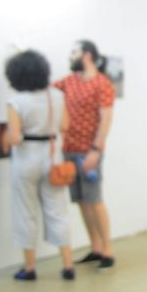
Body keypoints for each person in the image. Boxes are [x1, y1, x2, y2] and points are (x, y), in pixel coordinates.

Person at [3, 50, 75, 281]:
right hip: (52, 157)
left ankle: (30, 267)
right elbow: (65, 125)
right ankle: (68, 265)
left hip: (26, 159)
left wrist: (9, 136)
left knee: (25, 212)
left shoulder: (16, 101)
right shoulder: (57, 96)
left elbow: (15, 138)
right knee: (58, 210)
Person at [54, 40, 116, 269]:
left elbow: (106, 119)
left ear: (87, 55)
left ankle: (107, 250)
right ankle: (95, 247)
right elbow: (47, 89)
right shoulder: (69, 81)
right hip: (70, 149)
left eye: (74, 52)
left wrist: (96, 150)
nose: (70, 56)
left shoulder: (102, 84)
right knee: (81, 200)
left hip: (89, 151)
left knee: (94, 199)